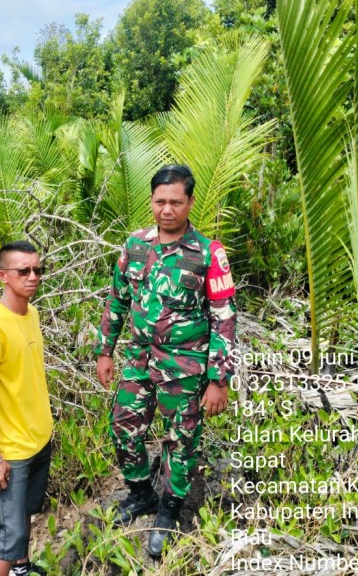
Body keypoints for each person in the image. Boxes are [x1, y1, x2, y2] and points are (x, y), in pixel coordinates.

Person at [96, 164, 236, 556]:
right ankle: (141, 493)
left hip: (185, 368)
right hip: (139, 360)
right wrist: (104, 350)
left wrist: (218, 380)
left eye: (176, 202)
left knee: (182, 441)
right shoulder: (135, 245)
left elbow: (224, 317)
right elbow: (118, 299)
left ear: (190, 202)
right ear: (152, 201)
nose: (167, 210)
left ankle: (168, 512)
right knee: (124, 427)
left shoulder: (208, 253)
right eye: (160, 202)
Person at [0, 240, 52, 576]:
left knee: (26, 515)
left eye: (38, 270)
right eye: (23, 271)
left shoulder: (32, 313)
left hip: (39, 439)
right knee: (8, 537)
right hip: (13, 451)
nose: (33, 277)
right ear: (2, 275)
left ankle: (22, 569)